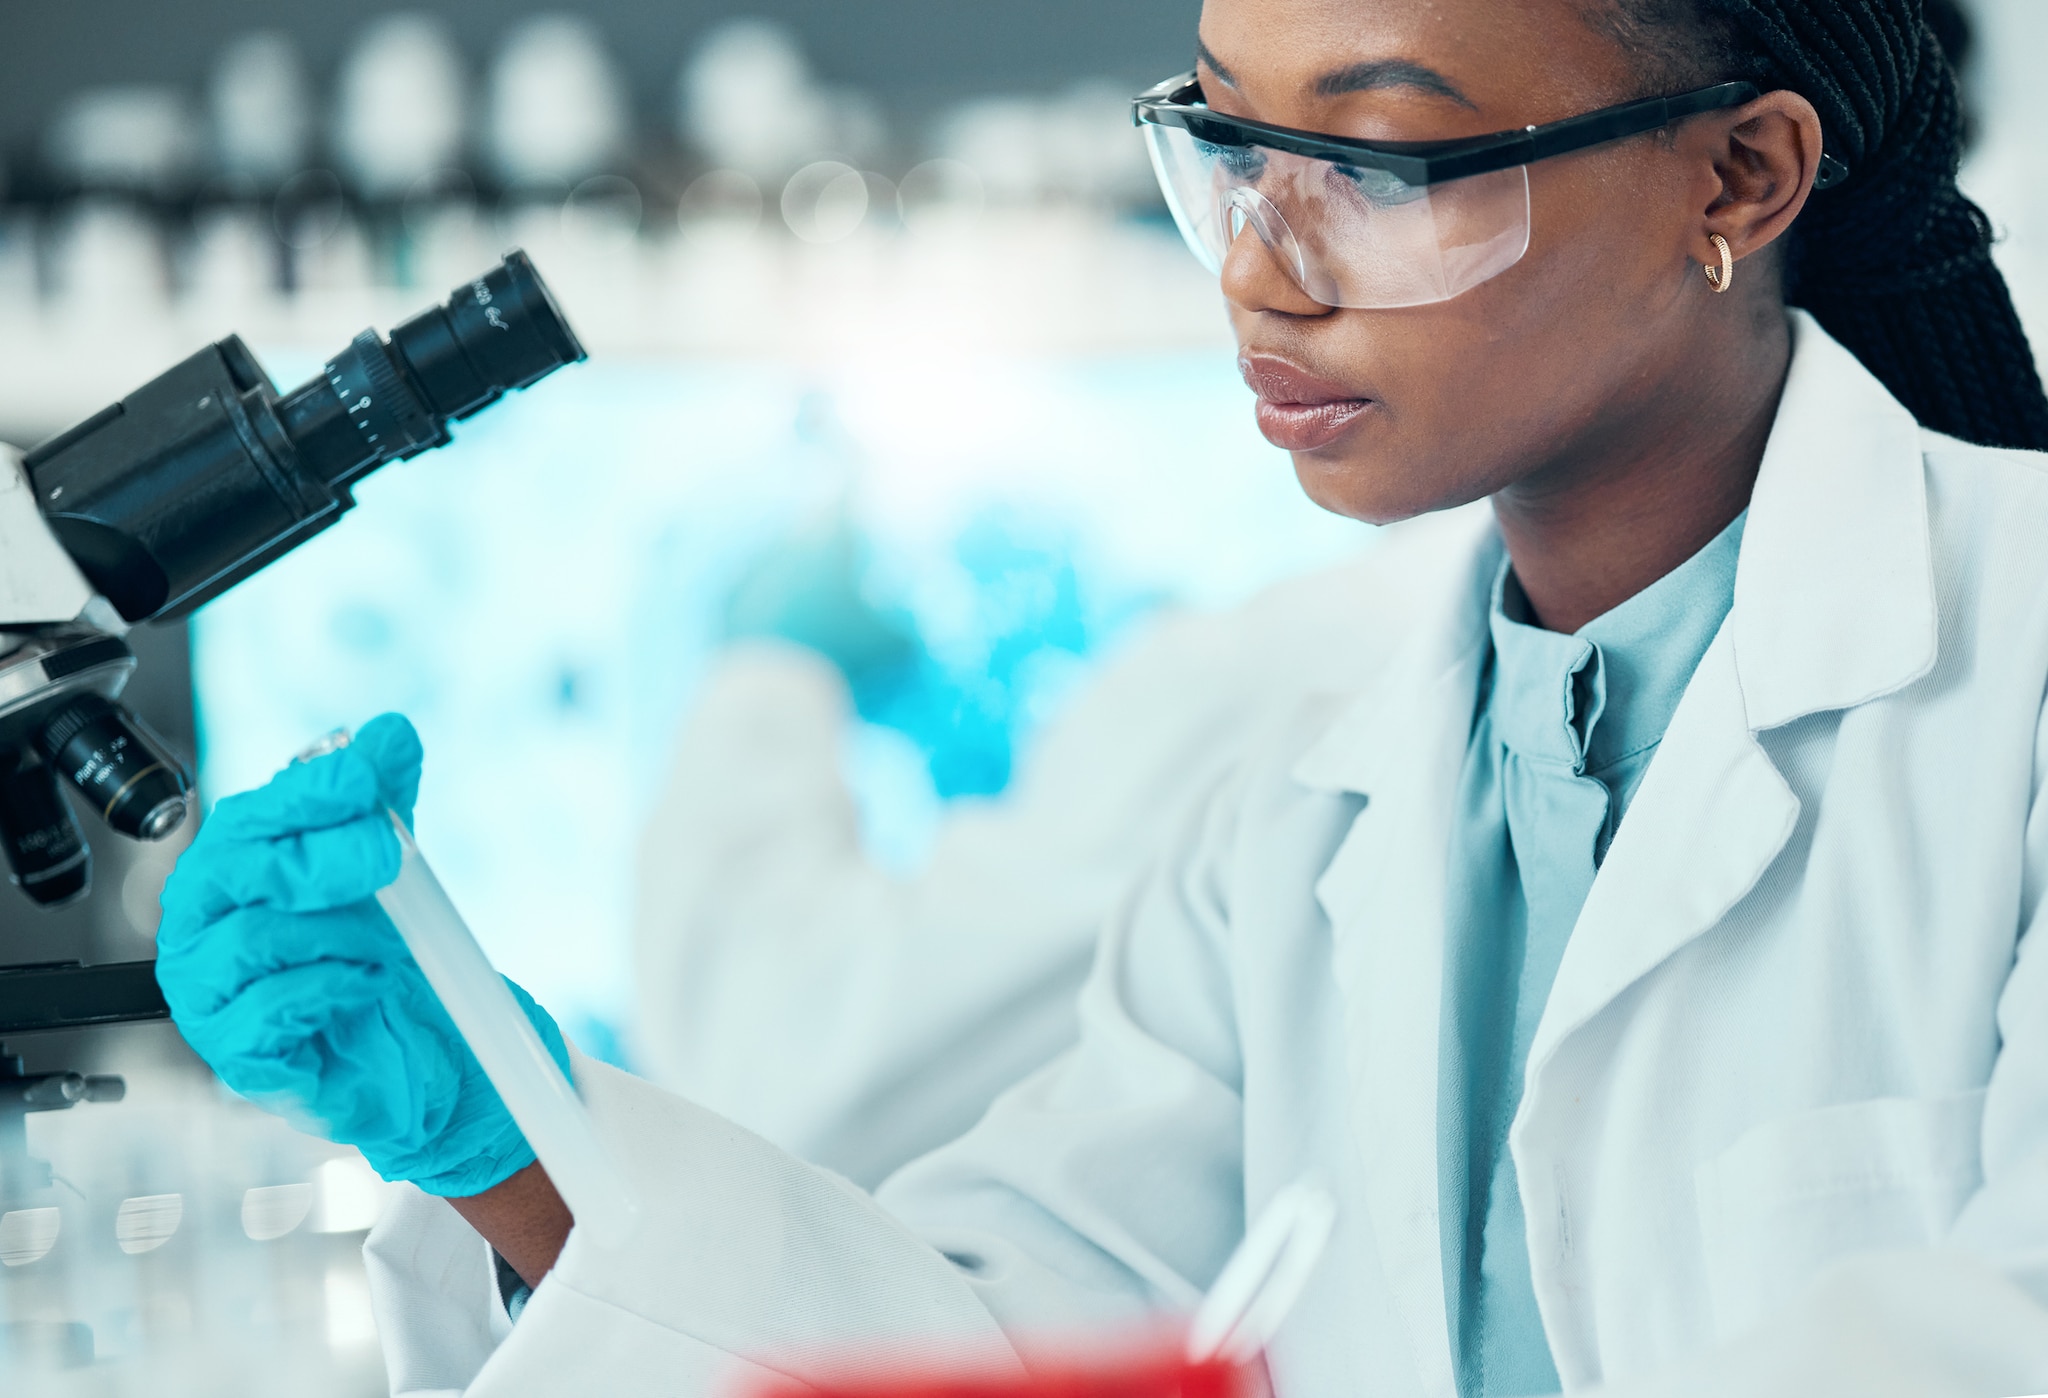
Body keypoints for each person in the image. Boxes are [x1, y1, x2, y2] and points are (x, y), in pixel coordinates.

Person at [154, 0, 2048, 1394]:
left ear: (1741, 175)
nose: (1257, 265)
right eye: (1229, 141)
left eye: (1381, 164)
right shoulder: (1310, 805)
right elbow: (993, 1339)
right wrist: (510, 1144)